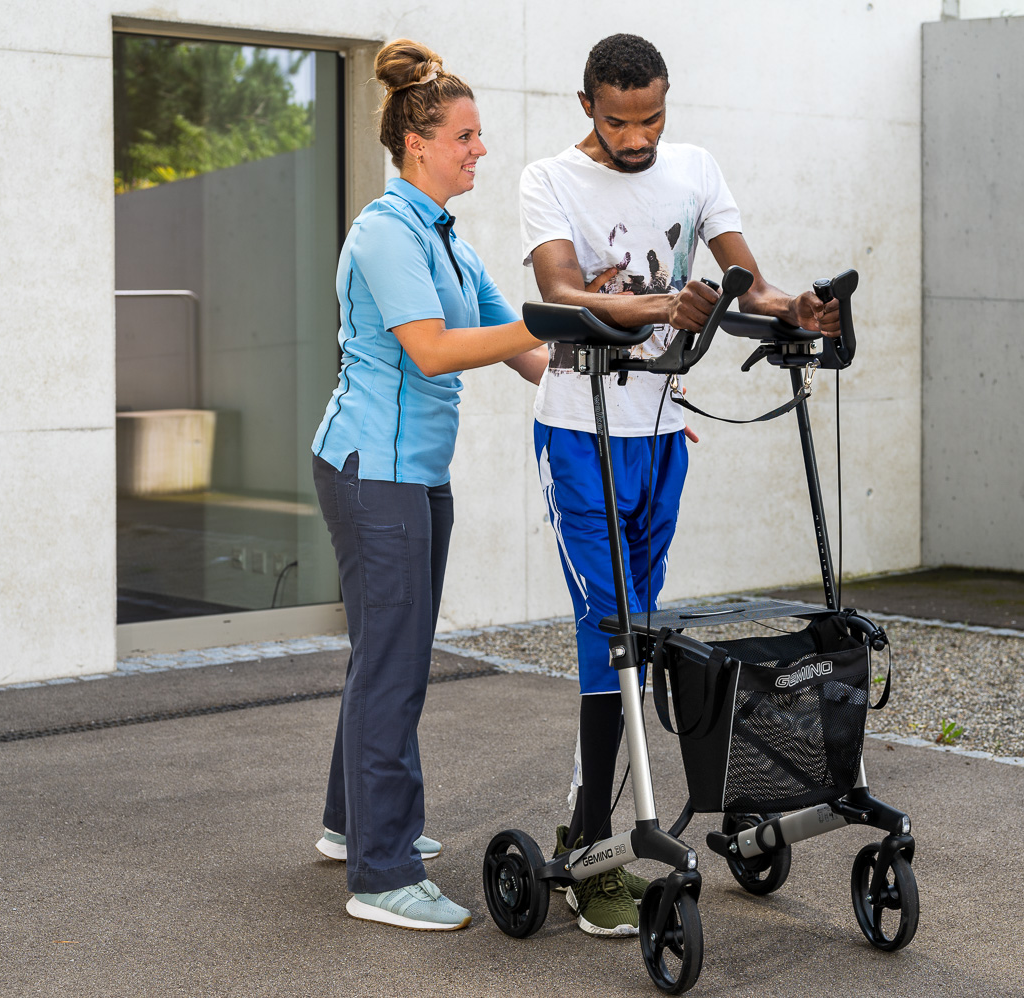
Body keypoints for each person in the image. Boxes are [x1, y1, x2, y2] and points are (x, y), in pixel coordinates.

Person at [518, 33, 841, 937]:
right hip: (580, 431)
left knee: (644, 632)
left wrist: (793, 307)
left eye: (651, 117)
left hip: (663, 435)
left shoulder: (695, 168)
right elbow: (562, 290)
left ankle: (608, 817)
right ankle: (589, 843)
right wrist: (664, 303)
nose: (637, 137)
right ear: (588, 106)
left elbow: (750, 282)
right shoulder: (548, 180)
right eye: (619, 121)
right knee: (608, 629)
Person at [309, 38, 545, 932]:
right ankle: (381, 872)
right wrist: (547, 317)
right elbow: (435, 349)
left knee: (384, 654)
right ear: (418, 144)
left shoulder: (445, 237)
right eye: (466, 136)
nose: (480, 150)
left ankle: (349, 826)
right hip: (375, 471)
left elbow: (524, 349)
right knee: (395, 665)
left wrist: (609, 346)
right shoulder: (382, 233)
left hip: (415, 473)